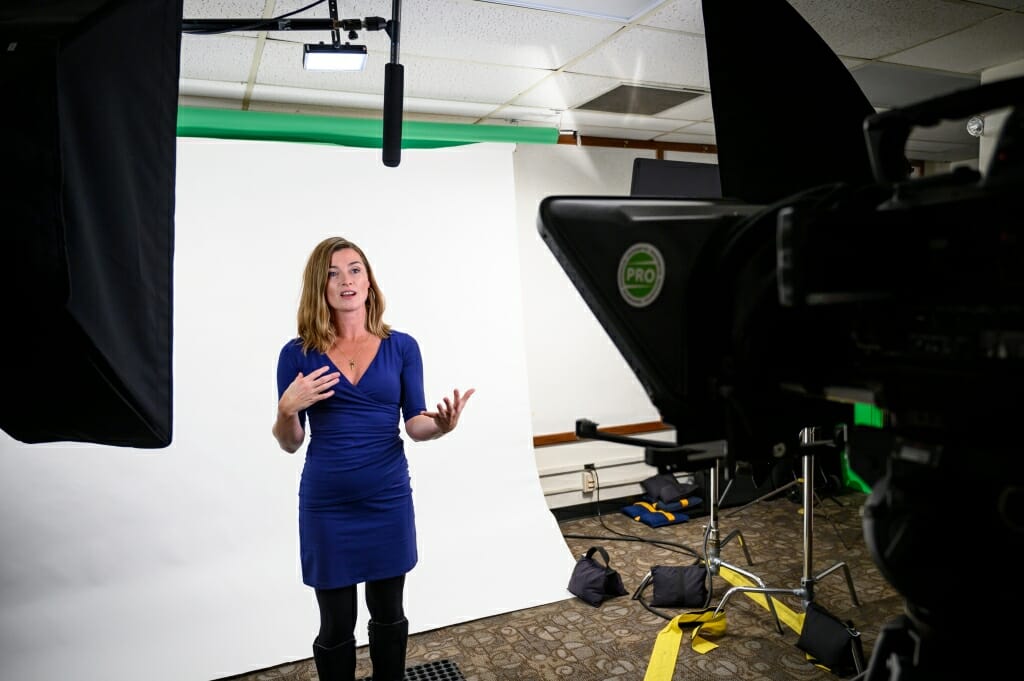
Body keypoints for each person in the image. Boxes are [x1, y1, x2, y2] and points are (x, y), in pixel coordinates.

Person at [272, 236, 474, 681]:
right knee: (335, 623)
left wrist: (441, 425)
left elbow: (415, 423)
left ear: (369, 281)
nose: (346, 280)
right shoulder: (297, 354)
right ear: (319, 287)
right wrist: (286, 410)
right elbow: (290, 442)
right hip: (328, 507)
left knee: (389, 611)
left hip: (387, 499)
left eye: (355, 269)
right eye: (332, 273)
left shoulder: (402, 347)